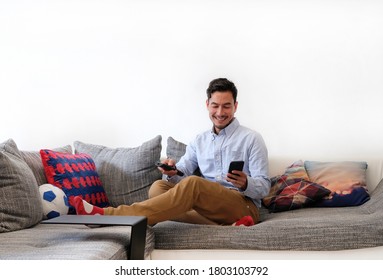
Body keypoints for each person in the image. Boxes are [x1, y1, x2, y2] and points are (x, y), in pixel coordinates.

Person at [73, 78, 271, 226]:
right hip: (207, 206)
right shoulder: (199, 140)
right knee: (158, 187)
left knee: (193, 183)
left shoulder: (252, 139)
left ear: (235, 106)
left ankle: (111, 216)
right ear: (207, 105)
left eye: (226, 106)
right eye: (215, 105)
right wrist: (172, 172)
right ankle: (227, 226)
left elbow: (263, 187)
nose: (220, 112)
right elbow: (182, 171)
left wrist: (246, 183)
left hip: (242, 204)